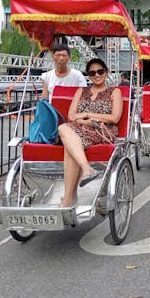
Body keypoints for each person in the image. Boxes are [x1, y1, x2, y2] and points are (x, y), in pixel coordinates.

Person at [58, 58, 122, 207]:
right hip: (79, 128)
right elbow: (71, 116)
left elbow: (114, 118)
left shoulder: (114, 91)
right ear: (88, 75)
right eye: (92, 73)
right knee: (66, 133)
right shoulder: (81, 91)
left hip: (102, 130)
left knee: (64, 132)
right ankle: (85, 172)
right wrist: (85, 120)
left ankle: (68, 199)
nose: (97, 75)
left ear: (106, 72)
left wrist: (87, 115)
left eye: (100, 71)